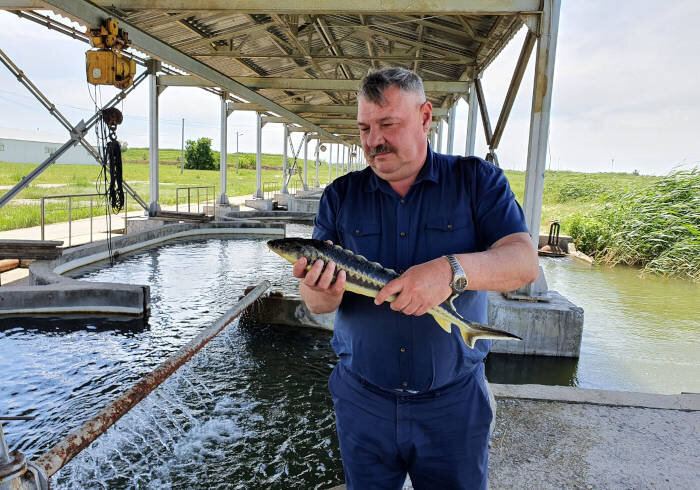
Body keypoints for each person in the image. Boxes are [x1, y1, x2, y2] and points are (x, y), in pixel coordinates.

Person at [292, 67, 538, 489]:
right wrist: (317, 290)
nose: (373, 140)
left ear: (425, 117)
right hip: (362, 401)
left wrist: (450, 271)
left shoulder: (477, 182)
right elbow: (317, 305)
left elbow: (522, 262)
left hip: (454, 405)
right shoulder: (340, 196)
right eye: (365, 127)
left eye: (388, 124)